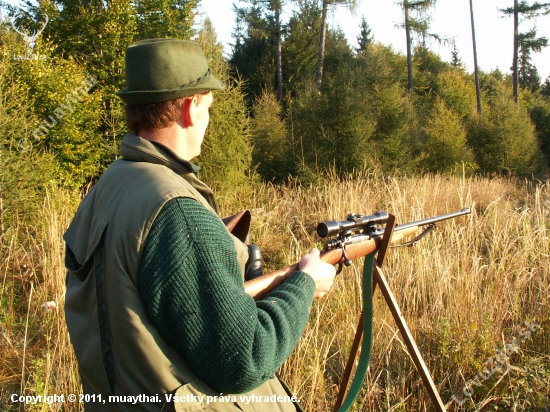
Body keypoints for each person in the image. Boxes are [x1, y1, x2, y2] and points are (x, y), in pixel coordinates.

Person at [63, 38, 336, 412]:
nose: (208, 119)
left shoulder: (108, 185)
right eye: (208, 106)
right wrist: (305, 285)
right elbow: (246, 359)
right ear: (190, 108)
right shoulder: (176, 210)